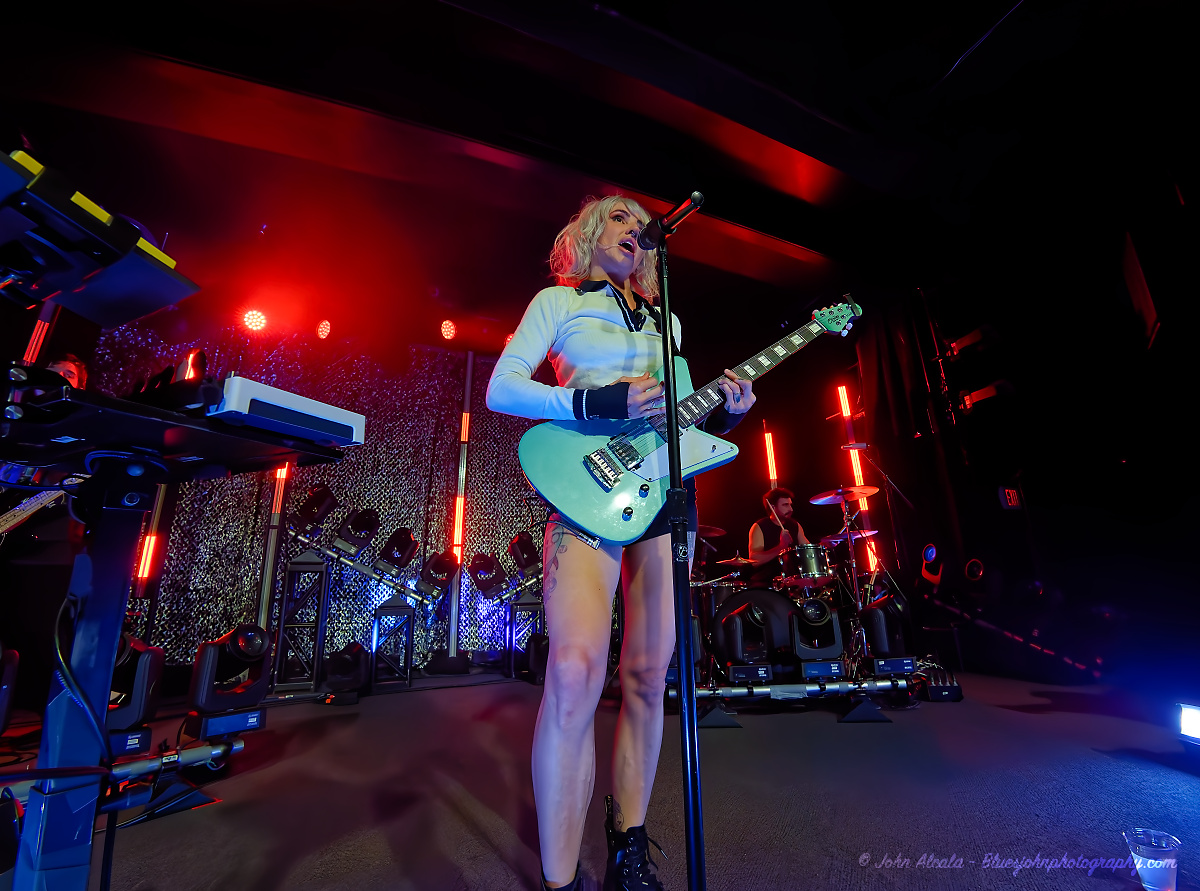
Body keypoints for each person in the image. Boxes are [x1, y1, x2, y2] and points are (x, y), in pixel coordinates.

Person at [487, 195, 755, 890]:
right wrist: (593, 402)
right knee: (575, 669)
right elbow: (502, 387)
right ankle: (559, 874)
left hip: (664, 498)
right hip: (585, 490)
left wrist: (728, 408)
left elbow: (682, 429)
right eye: (620, 218)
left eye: (643, 225)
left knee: (646, 675)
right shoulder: (560, 302)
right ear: (586, 232)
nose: (635, 230)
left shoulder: (667, 322)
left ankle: (628, 844)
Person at [747, 487, 809, 586]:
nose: (790, 509)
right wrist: (781, 547)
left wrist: (824, 547)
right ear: (773, 507)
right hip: (766, 583)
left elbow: (807, 550)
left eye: (790, 505)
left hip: (792, 581)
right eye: (785, 505)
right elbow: (754, 561)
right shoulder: (759, 526)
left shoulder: (795, 525)